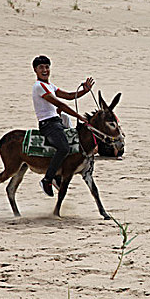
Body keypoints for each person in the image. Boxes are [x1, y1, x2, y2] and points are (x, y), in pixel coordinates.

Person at [32, 55, 94, 197]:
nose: (45, 70)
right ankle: (48, 179)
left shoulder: (49, 85)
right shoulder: (39, 86)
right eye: (41, 67)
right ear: (35, 70)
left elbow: (68, 96)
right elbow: (60, 104)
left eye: (47, 67)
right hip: (48, 125)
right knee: (64, 148)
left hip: (57, 122)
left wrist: (85, 90)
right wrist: (78, 116)